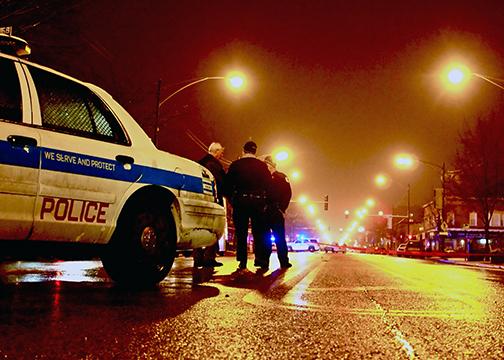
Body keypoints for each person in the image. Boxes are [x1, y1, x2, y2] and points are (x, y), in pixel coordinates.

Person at [225, 141, 272, 271]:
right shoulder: (262, 166)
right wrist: (264, 200)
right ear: (255, 151)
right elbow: (269, 185)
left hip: (241, 201)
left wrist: (232, 200)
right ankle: (260, 259)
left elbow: (227, 185)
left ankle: (242, 261)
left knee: (241, 233)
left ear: (243, 150)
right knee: (259, 232)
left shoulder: (236, 165)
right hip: (257, 202)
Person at [193, 142, 226, 268]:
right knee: (212, 228)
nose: (222, 155)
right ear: (216, 152)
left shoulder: (199, 164)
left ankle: (198, 258)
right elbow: (219, 183)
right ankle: (209, 257)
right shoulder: (213, 165)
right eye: (221, 152)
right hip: (212, 200)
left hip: (200, 199)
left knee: (199, 227)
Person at [263, 155, 292, 269]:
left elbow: (288, 194)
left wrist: (282, 208)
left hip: (276, 210)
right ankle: (264, 262)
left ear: (272, 165)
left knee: (280, 238)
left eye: (267, 165)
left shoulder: (281, 177)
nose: (265, 167)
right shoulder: (262, 178)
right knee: (264, 238)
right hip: (264, 211)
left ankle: (284, 261)